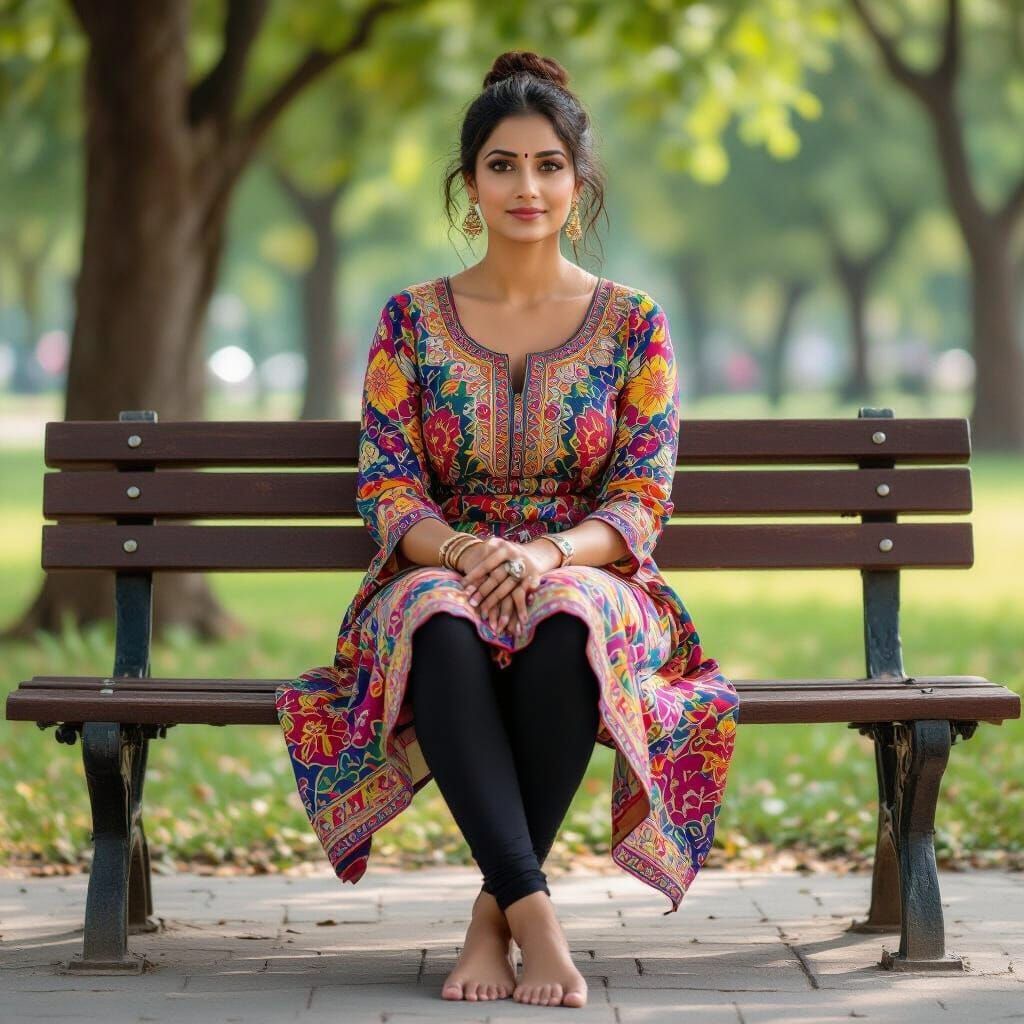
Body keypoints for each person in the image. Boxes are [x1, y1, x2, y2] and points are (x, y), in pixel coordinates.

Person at [275, 49, 740, 1010]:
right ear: (469, 182)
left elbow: (641, 499)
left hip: (593, 576)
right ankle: (536, 915)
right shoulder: (410, 323)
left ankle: (496, 919)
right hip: (436, 568)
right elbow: (387, 485)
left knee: (564, 614)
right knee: (439, 616)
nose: (526, 186)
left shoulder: (632, 326)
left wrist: (542, 553)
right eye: (501, 165)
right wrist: (464, 551)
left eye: (547, 165)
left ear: (579, 181)